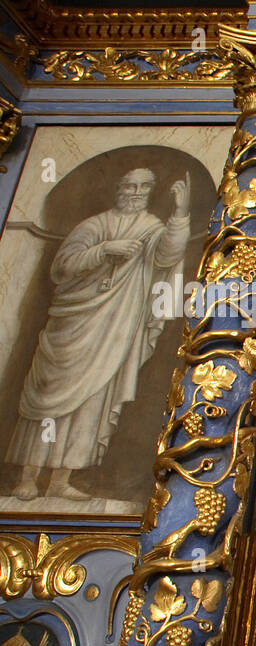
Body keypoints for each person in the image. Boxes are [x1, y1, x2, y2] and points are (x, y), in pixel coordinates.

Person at [7, 167, 191, 501]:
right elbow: (62, 267)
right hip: (73, 323)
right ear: (119, 188)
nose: (136, 192)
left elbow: (168, 253)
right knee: (48, 397)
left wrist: (179, 213)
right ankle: (28, 475)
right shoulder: (92, 226)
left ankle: (62, 478)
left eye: (144, 187)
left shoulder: (150, 228)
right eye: (130, 185)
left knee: (92, 401)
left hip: (115, 326)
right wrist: (103, 251)